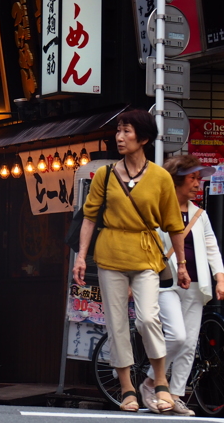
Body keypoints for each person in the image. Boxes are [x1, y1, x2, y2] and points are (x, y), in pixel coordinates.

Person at [73, 109, 189, 413]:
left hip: (146, 255)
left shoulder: (161, 177)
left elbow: (174, 225)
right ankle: (127, 389)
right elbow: (88, 218)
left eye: (127, 132)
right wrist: (81, 257)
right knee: (117, 323)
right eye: (119, 131)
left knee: (148, 318)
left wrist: (183, 266)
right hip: (110, 255)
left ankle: (159, 382)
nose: (120, 137)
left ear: (144, 139)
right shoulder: (106, 174)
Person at [141, 155, 224, 416]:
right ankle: (152, 381)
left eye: (199, 178)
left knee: (188, 344)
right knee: (176, 336)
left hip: (196, 285)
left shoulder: (200, 214)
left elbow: (211, 246)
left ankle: (174, 396)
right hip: (165, 282)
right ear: (176, 180)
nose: (198, 184)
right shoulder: (156, 209)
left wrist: (220, 277)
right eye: (193, 178)